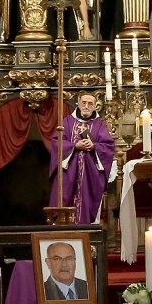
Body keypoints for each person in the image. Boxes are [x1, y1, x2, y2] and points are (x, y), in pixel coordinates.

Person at [48, 91, 116, 224]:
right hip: (68, 174)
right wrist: (74, 146)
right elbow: (57, 143)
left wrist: (93, 146)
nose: (86, 106)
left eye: (90, 103)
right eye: (83, 103)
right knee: (64, 199)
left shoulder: (99, 125)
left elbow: (108, 147)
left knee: (85, 203)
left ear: (95, 106)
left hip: (89, 177)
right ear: (78, 104)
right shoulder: (66, 123)